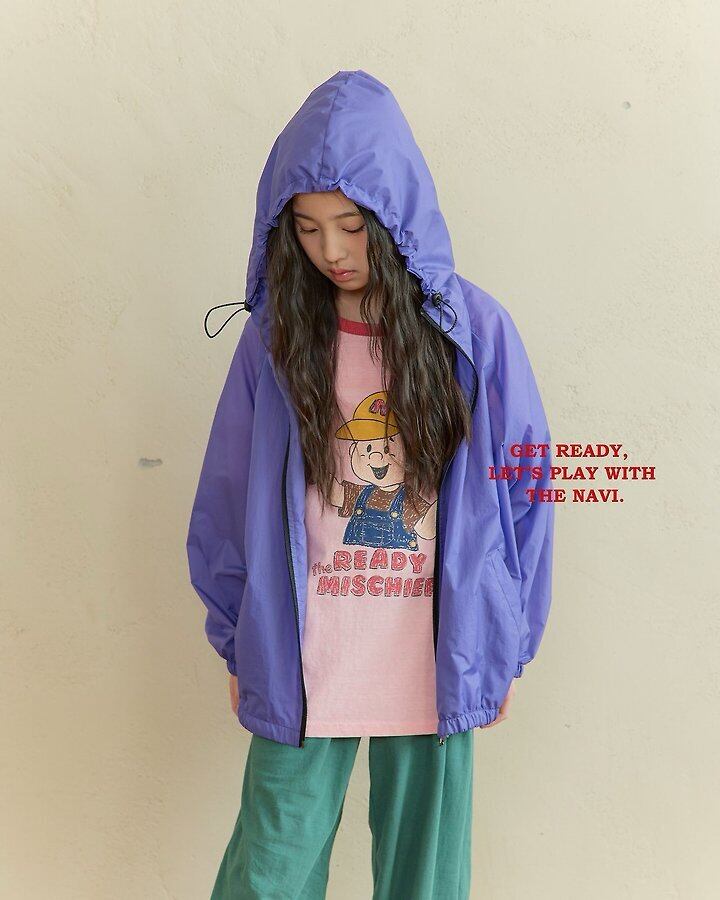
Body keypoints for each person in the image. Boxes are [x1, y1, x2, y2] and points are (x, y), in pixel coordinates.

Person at [187, 69, 555, 900]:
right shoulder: (276, 339)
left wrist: (504, 641)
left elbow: (526, 490)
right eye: (307, 228)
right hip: (305, 656)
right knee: (269, 871)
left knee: (424, 881)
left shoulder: (474, 332)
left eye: (352, 226)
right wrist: (239, 634)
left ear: (396, 216)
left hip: (435, 656)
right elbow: (227, 490)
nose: (332, 251)